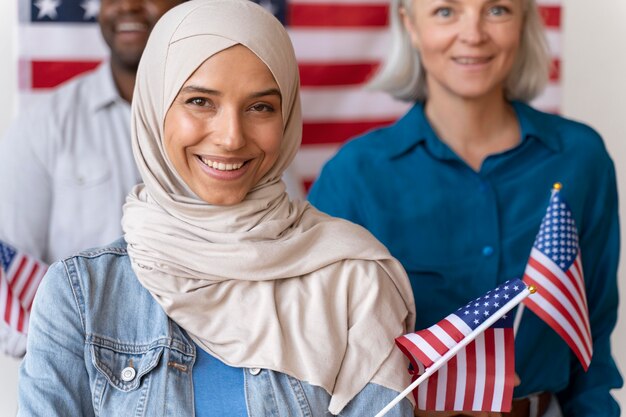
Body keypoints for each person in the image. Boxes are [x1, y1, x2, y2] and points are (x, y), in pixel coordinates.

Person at [17, 1, 416, 416]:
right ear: (155, 109)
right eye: (200, 101)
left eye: (260, 107)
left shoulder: (356, 280)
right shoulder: (80, 293)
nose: (230, 137)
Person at [308, 0, 622, 416]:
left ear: (525, 22)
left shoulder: (581, 159)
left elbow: (592, 340)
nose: (473, 34)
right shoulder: (353, 175)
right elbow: (320, 351)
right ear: (410, 25)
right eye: (445, 11)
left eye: (497, 10)